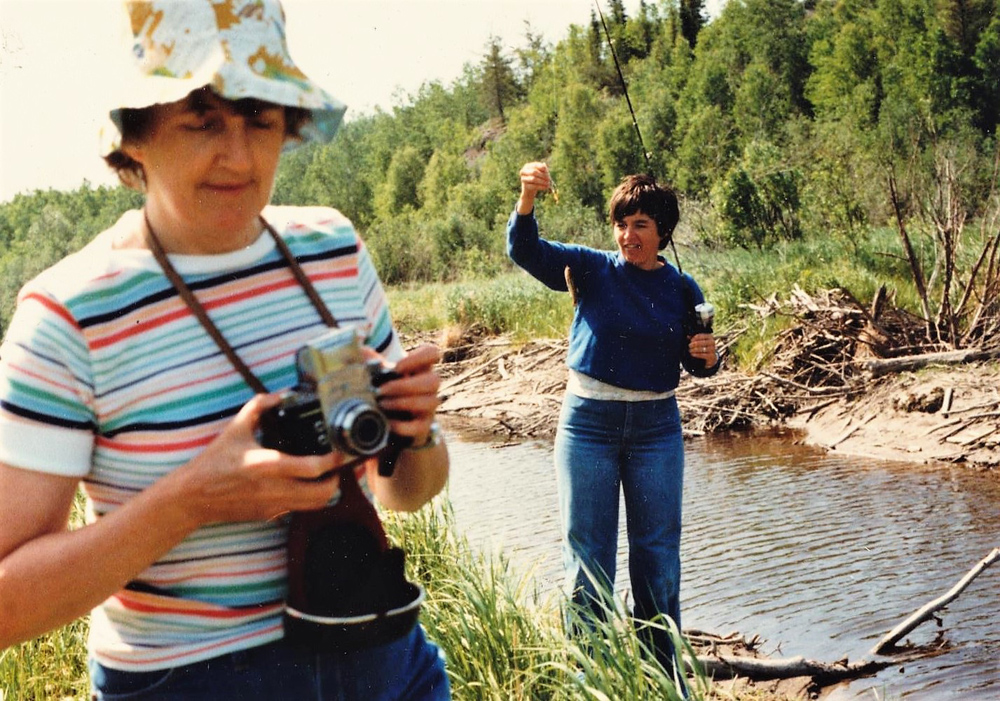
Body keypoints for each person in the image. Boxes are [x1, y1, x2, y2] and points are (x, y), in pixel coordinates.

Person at [0, 2, 450, 699]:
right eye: (202, 121)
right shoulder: (67, 314)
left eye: (261, 118)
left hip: (384, 652)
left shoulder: (332, 249)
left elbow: (409, 492)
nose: (239, 157)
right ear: (135, 134)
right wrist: (190, 501)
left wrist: (414, 435)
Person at [506, 162, 720, 674]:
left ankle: (660, 675)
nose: (628, 236)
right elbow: (526, 251)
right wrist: (527, 199)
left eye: (640, 225)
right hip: (588, 426)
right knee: (587, 561)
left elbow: (696, 365)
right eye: (621, 224)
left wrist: (709, 358)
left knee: (658, 559)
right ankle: (592, 677)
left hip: (656, 429)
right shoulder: (591, 267)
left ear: (662, 232)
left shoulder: (684, 289)